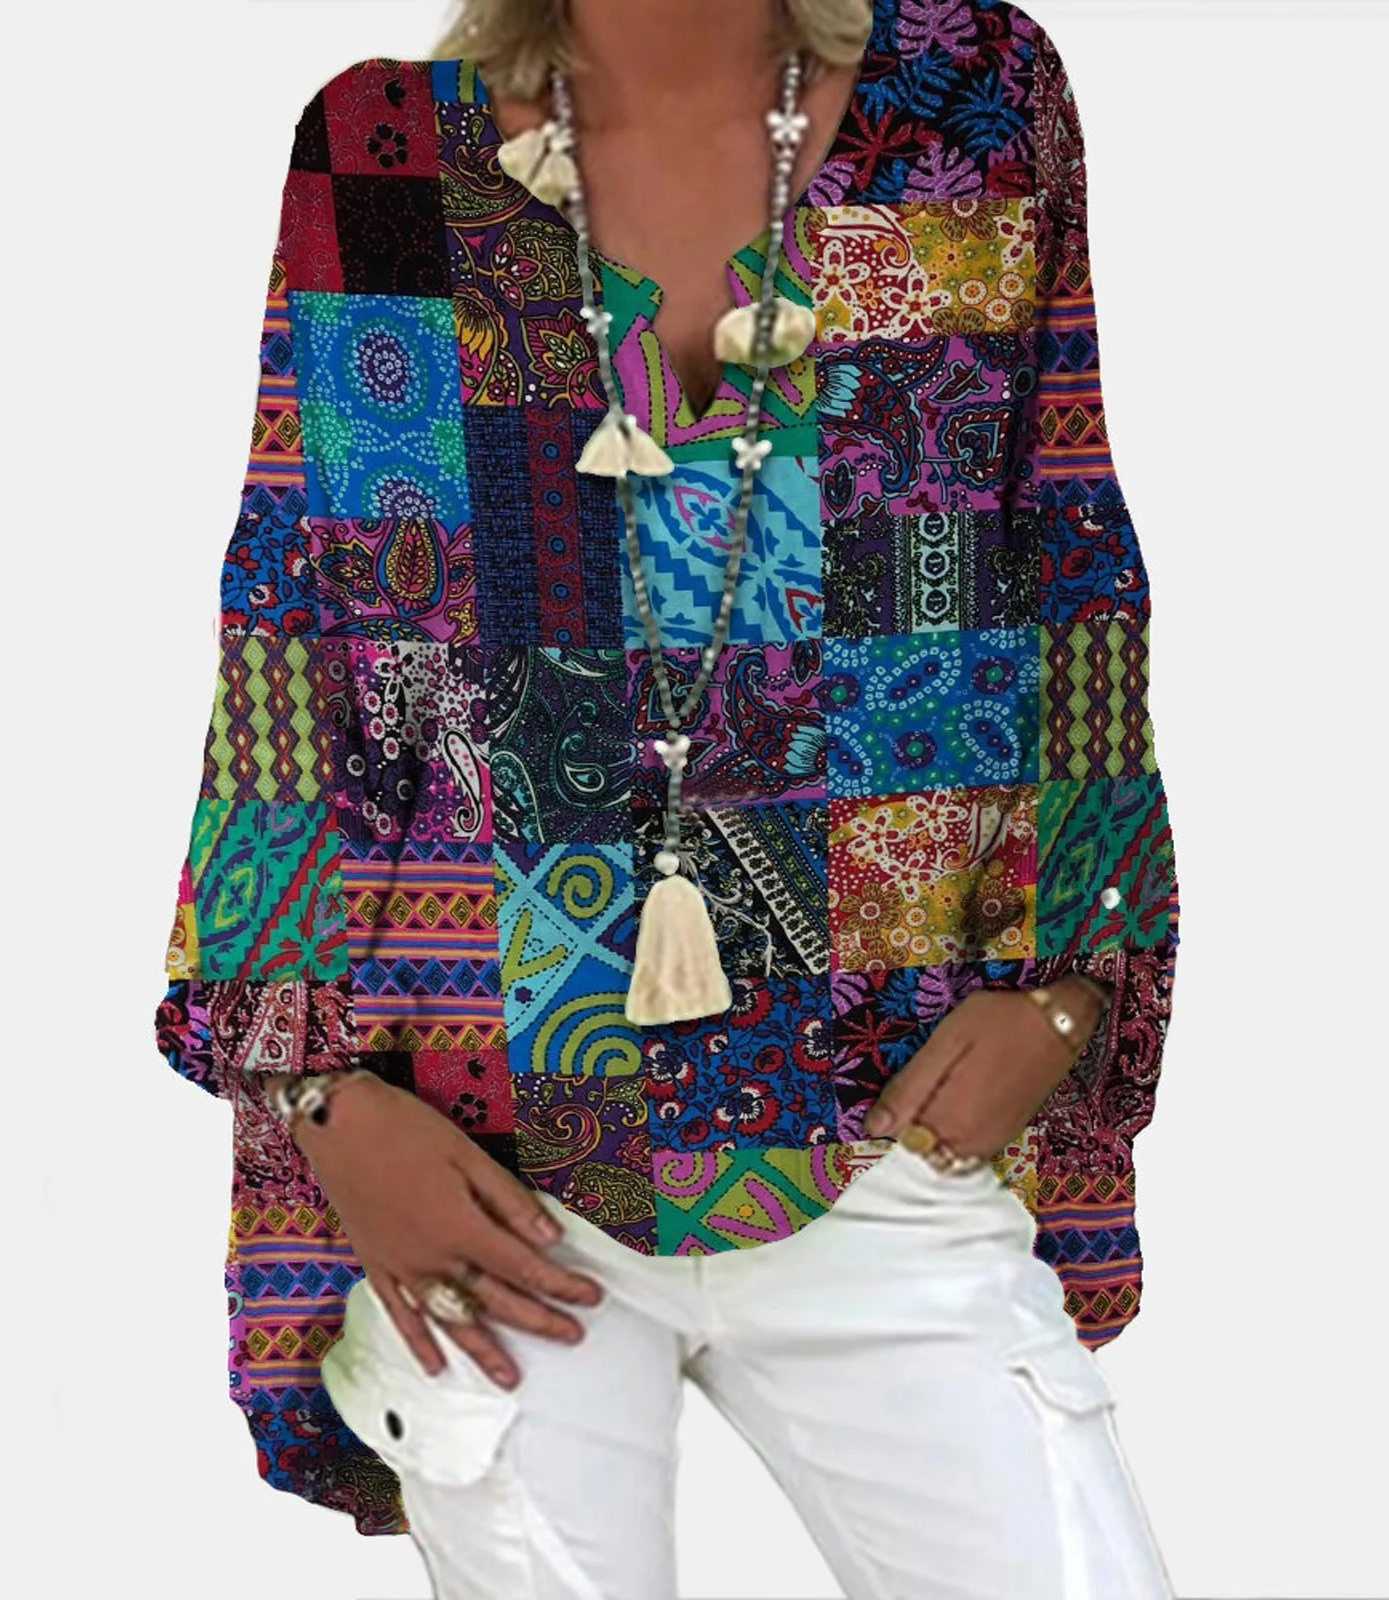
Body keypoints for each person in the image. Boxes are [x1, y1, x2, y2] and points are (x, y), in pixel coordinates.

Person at [153, 0, 1182, 1592]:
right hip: (482, 1149)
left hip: (886, 1106)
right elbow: (296, 632)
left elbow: (1066, 547)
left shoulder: (971, 100)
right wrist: (318, 1094)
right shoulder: (386, 154)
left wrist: (1078, 987)